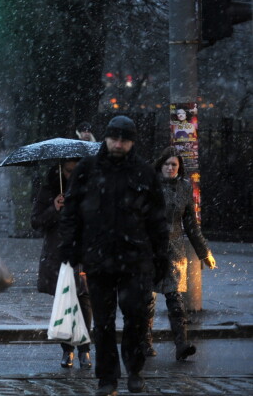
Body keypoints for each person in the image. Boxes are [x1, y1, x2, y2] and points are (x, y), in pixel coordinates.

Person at [58, 116, 169, 396]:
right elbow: (71, 212)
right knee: (103, 322)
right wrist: (70, 247)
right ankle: (106, 377)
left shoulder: (144, 173)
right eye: (114, 138)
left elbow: (157, 220)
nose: (118, 144)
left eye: (124, 140)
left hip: (136, 258)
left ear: (132, 142)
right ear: (106, 138)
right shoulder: (88, 169)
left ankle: (134, 369)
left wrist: (161, 257)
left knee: (136, 316)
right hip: (99, 257)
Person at [146, 147, 216, 360]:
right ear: (160, 166)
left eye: (174, 164)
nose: (170, 168)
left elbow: (191, 224)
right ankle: (144, 343)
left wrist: (204, 252)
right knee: (147, 299)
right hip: (151, 248)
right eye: (167, 164)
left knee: (175, 298)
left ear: (179, 167)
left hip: (175, 249)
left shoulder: (185, 187)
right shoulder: (149, 186)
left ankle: (181, 345)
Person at [31, 159, 92, 369]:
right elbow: (36, 221)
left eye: (76, 171)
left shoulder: (88, 187)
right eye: (68, 171)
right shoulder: (49, 190)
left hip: (83, 251)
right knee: (65, 300)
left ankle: (84, 349)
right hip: (58, 254)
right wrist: (54, 208)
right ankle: (68, 349)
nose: (72, 175)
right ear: (59, 170)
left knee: (84, 300)